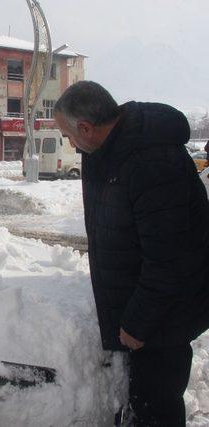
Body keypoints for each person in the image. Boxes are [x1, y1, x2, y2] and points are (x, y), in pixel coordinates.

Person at [53, 81, 209, 427]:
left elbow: (169, 258)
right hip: (149, 309)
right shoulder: (109, 150)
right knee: (143, 404)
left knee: (157, 408)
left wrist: (138, 322)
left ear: (85, 128)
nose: (70, 144)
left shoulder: (151, 163)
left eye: (68, 135)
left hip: (165, 316)